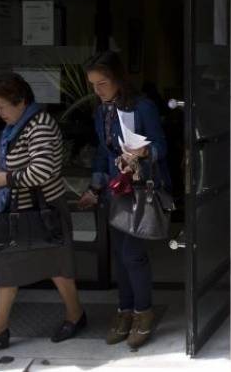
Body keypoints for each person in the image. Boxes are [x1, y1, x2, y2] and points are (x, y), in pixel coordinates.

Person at [0, 73, 86, 357]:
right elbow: (8, 167)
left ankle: (75, 316)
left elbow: (43, 171)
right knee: (8, 272)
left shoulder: (40, 125)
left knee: (58, 269)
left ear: (21, 102)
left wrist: (3, 181)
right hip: (17, 210)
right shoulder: (16, 125)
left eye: (1, 106)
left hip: (43, 210)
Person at [77, 51, 170, 349]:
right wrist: (95, 187)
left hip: (141, 190)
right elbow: (104, 154)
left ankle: (143, 313)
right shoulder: (100, 111)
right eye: (93, 84)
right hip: (115, 190)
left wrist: (142, 153)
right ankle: (125, 311)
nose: (97, 90)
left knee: (132, 254)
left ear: (118, 79)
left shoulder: (142, 107)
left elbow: (162, 146)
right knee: (119, 255)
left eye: (102, 83)